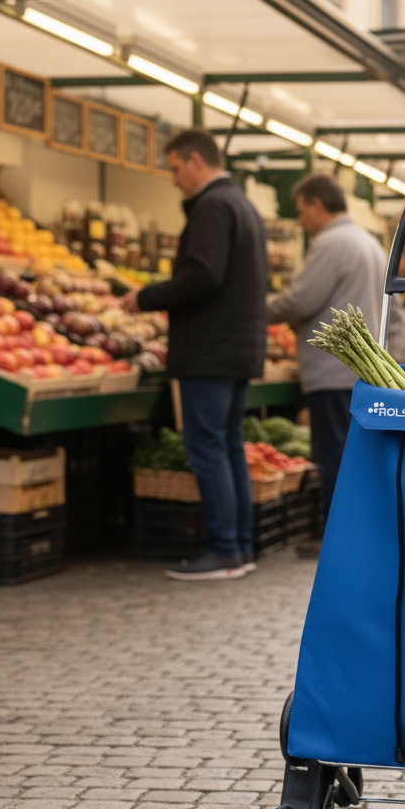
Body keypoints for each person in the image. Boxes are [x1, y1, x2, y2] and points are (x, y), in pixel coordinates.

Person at [122, 129, 266, 581]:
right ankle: (240, 547)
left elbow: (203, 276)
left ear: (196, 161)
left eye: (174, 167)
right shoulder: (241, 204)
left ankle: (223, 548)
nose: (172, 179)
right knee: (227, 446)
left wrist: (145, 297)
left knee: (207, 446)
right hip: (237, 348)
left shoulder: (213, 207)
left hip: (210, 351)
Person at [266, 173, 388, 558]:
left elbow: (301, 299)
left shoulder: (332, 243)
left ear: (318, 206)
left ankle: (335, 536)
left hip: (332, 369)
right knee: (354, 454)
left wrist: (256, 309)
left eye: (302, 212)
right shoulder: (370, 243)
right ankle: (357, 531)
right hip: (360, 370)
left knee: (333, 453)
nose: (300, 220)